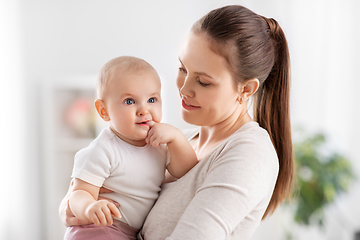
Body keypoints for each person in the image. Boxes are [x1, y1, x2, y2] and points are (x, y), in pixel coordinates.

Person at [60, 5, 294, 240]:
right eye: (183, 68)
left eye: (203, 81)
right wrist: (75, 208)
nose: (183, 88)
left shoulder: (249, 154)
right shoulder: (178, 141)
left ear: (245, 89)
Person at [63, 56, 198, 240]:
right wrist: (89, 207)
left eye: (152, 100)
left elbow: (187, 170)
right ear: (104, 110)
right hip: (98, 230)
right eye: (129, 101)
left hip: (127, 233)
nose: (144, 110)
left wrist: (177, 138)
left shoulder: (159, 143)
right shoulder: (103, 150)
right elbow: (79, 193)